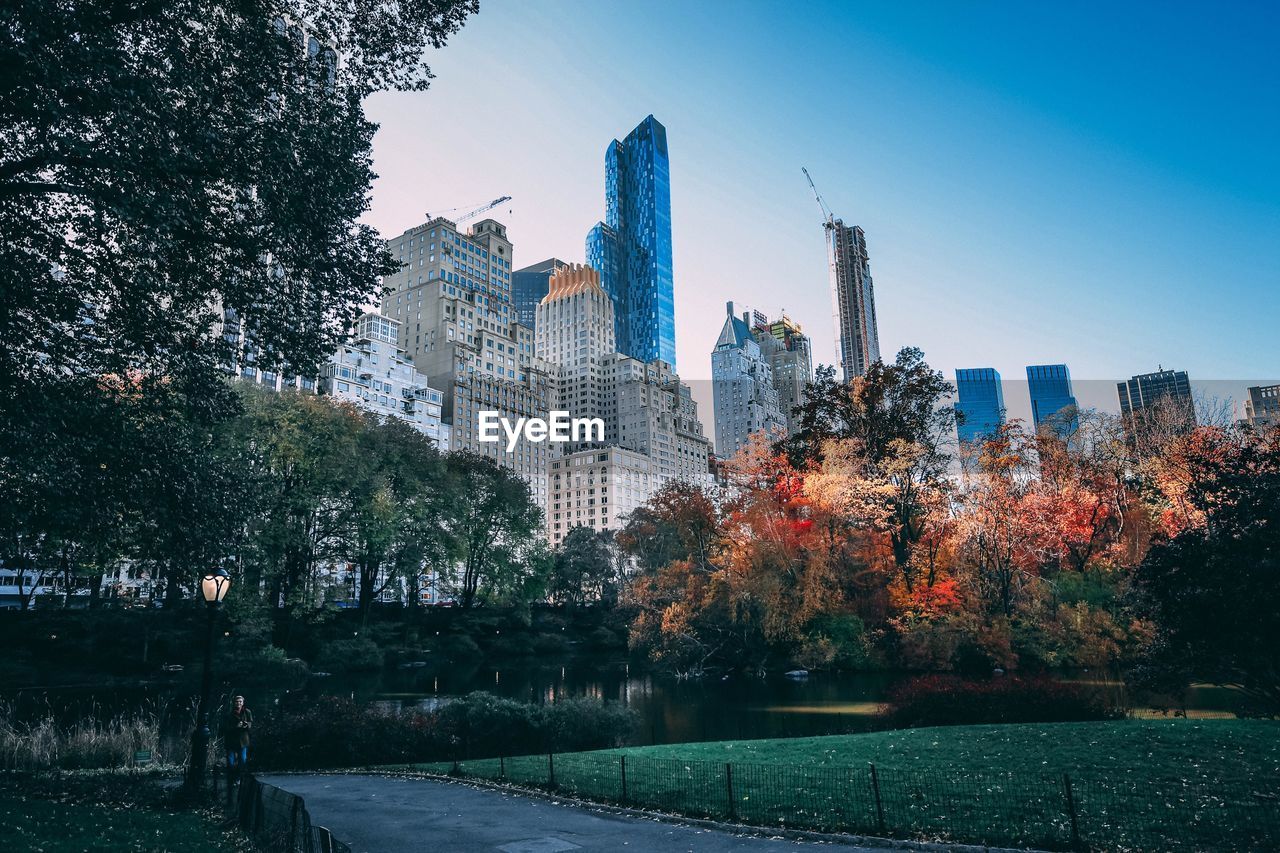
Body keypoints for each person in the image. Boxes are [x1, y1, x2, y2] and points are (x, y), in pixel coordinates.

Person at [220, 695, 253, 788]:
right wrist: (236, 726)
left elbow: (250, 723)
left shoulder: (247, 712)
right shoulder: (228, 714)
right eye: (236, 702)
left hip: (243, 741)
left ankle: (238, 778)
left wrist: (247, 725)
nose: (238, 703)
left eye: (240, 702)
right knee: (230, 762)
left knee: (242, 760)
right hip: (231, 741)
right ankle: (232, 778)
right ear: (233, 703)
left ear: (243, 703)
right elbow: (224, 729)